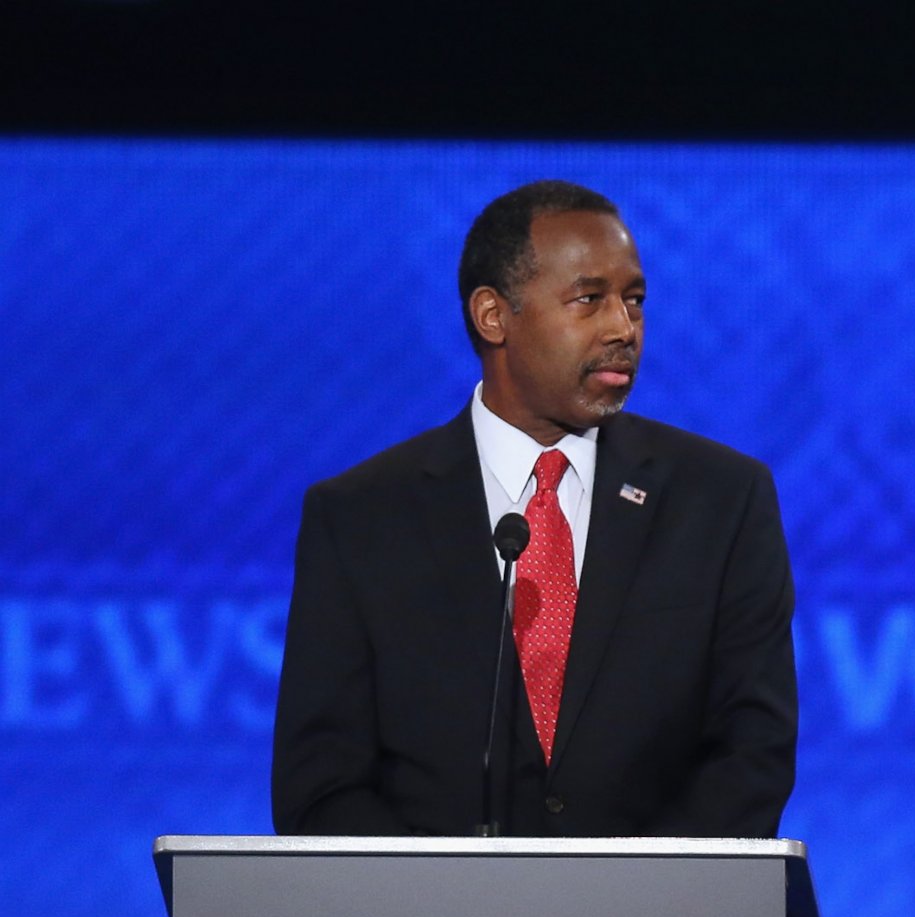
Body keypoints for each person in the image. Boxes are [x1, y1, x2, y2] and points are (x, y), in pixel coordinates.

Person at [273, 180, 797, 838]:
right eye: (589, 300)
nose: (623, 328)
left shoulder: (721, 500)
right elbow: (321, 784)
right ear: (493, 316)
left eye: (633, 301)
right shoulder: (360, 517)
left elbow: (752, 756)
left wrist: (630, 914)